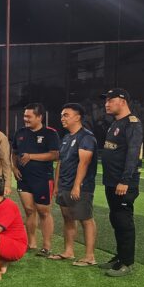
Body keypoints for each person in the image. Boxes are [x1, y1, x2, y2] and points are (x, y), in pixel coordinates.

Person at [100, 88, 144, 277]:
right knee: (116, 219)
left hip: (123, 183)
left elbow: (133, 154)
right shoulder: (116, 123)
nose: (107, 103)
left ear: (123, 101)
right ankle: (119, 258)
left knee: (124, 221)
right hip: (112, 181)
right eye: (106, 100)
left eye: (111, 100)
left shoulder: (132, 124)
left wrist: (125, 180)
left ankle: (127, 262)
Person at [51, 103, 98, 267]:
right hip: (64, 186)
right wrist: (57, 185)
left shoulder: (86, 137)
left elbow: (84, 163)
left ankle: (90, 256)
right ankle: (68, 251)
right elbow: (61, 162)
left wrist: (77, 186)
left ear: (77, 117)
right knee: (68, 218)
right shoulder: (66, 137)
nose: (62, 118)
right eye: (62, 115)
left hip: (81, 187)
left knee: (86, 219)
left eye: (66, 115)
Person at [11, 103, 61, 256]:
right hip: (23, 179)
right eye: (24, 116)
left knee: (43, 212)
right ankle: (31, 243)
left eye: (29, 116)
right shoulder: (20, 132)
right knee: (29, 210)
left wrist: (31, 156)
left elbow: (55, 155)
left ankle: (46, 246)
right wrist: (14, 168)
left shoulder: (50, 133)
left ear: (39, 117)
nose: (25, 119)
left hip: (42, 179)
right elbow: (14, 152)